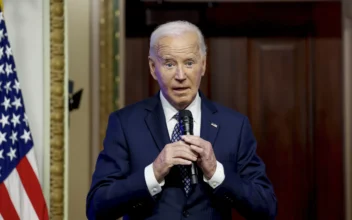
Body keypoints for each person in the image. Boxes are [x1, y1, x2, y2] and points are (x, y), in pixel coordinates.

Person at [86, 20, 277, 220]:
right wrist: (153, 172)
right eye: (169, 64)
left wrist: (216, 173)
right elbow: (96, 209)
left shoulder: (234, 126)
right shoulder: (125, 124)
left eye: (189, 63)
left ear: (203, 65)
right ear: (153, 68)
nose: (180, 75)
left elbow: (266, 209)